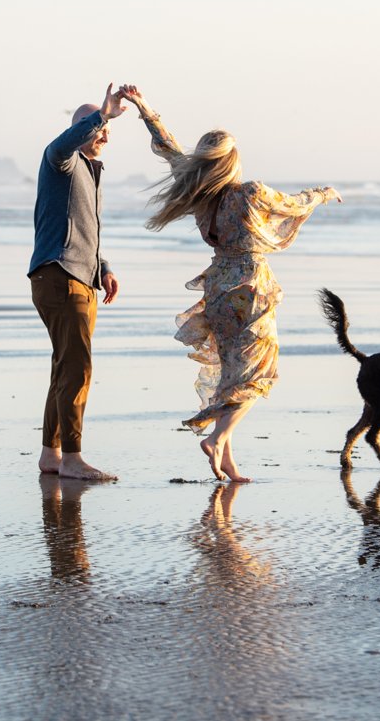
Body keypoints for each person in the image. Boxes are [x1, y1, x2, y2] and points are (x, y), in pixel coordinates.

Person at [121, 85, 341, 482]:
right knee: (258, 375)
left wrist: (146, 109)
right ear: (232, 161)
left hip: (218, 290)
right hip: (251, 289)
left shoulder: (200, 194)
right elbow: (295, 204)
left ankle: (227, 458)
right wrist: (324, 194)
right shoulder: (251, 193)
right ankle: (218, 439)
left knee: (231, 375)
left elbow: (169, 149)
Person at [27, 83, 128, 481]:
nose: (104, 134)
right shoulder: (61, 160)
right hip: (61, 275)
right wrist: (101, 114)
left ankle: (52, 455)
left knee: (65, 367)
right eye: (97, 128)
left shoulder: (90, 171)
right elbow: (64, 143)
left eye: (105, 129)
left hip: (81, 277)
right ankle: (72, 457)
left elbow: (87, 229)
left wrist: (103, 267)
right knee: (77, 368)